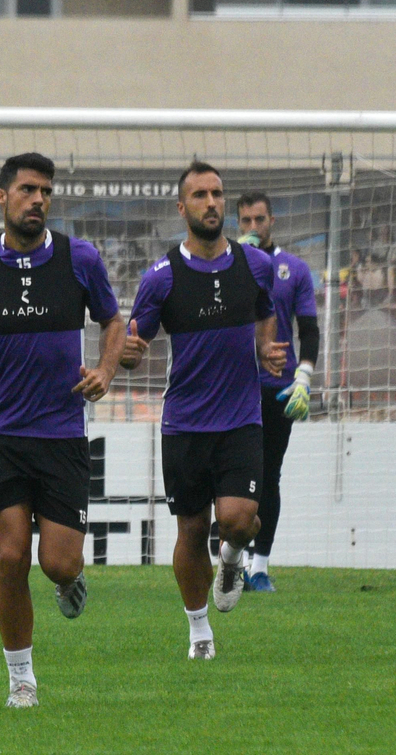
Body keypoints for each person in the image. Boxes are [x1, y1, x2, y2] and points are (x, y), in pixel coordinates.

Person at [0, 152, 124, 708]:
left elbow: (114, 320)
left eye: (45, 191)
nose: (38, 200)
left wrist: (105, 371)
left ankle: (71, 580)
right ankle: (21, 678)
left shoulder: (79, 258)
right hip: (1, 433)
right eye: (27, 190)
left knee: (58, 562)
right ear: (2, 198)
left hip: (64, 432)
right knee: (10, 557)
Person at [121, 162, 286, 660]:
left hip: (241, 419)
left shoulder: (254, 265)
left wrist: (266, 349)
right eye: (199, 195)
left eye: (217, 194)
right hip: (186, 424)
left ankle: (233, 557)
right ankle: (199, 633)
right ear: (182, 207)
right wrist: (128, 355)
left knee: (238, 520)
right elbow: (135, 341)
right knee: (191, 532)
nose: (211, 203)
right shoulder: (161, 277)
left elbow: (265, 314)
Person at [235, 191, 320, 592]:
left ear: (273, 222)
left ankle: (259, 566)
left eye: (259, 220)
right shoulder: (228, 264)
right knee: (231, 479)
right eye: (246, 221)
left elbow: (310, 330)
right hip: (232, 388)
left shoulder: (294, 269)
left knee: (269, 476)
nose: (253, 228)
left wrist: (303, 377)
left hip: (276, 390)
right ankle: (230, 563)